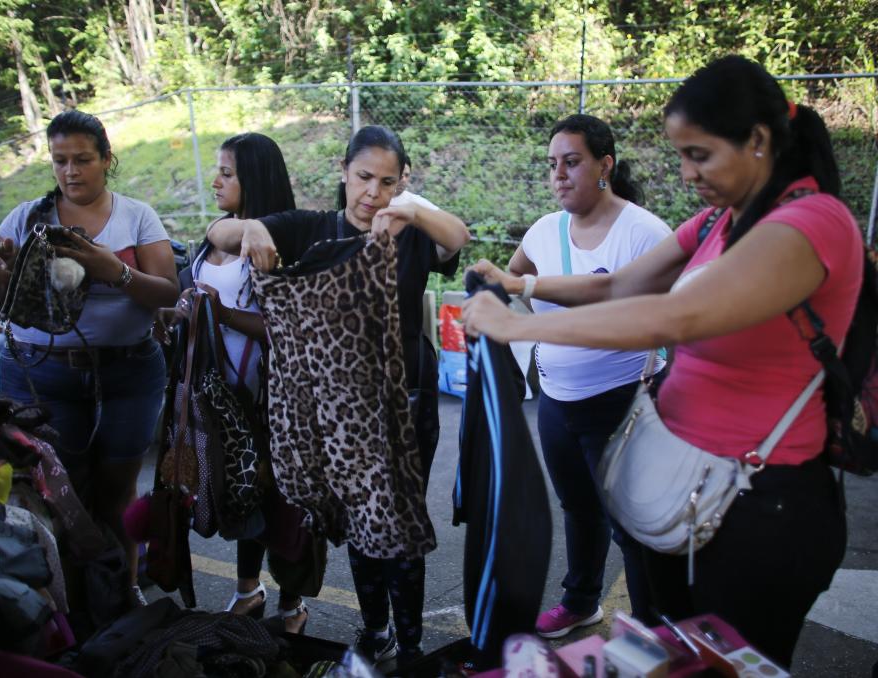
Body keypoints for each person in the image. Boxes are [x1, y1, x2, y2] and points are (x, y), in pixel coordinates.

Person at [462, 55, 858, 668]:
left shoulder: (812, 223)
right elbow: (618, 287)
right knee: (663, 655)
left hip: (758, 503)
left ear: (757, 141)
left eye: (699, 154)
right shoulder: (718, 223)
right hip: (684, 484)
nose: (685, 173)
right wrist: (523, 289)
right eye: (680, 155)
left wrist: (518, 328)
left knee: (724, 662)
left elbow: (678, 316)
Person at [207, 125, 470, 666]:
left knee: (401, 522)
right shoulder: (311, 229)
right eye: (363, 178)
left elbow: (457, 237)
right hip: (337, 411)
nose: (373, 193)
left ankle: (412, 640)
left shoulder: (412, 232)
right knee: (357, 519)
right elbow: (217, 232)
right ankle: (375, 629)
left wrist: (412, 210)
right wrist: (252, 226)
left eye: (387, 182)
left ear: (404, 183)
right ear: (343, 174)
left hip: (405, 402)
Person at [0, 110, 179, 607]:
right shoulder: (27, 216)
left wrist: (114, 271)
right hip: (41, 373)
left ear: (107, 159)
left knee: (116, 487)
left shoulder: (136, 215)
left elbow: (167, 293)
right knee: (60, 490)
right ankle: (74, 602)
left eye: (83, 159)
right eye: (60, 161)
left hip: (128, 370)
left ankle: (124, 591)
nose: (71, 172)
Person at [473, 113, 670, 635]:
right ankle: (582, 600)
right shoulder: (544, 229)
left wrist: (524, 293)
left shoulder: (644, 233)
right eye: (552, 164)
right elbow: (512, 280)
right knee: (579, 508)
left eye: (572, 162)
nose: (559, 174)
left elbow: (658, 315)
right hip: (557, 399)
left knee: (633, 524)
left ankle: (653, 627)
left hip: (621, 401)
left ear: (605, 165)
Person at [154, 132, 313, 633]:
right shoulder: (220, 232)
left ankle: (291, 604)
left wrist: (222, 314)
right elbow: (194, 291)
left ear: (256, 178)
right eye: (218, 170)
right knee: (240, 488)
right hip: (216, 393)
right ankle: (248, 590)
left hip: (268, 395)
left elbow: (290, 327)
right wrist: (181, 312)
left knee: (279, 498)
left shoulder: (281, 244)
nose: (216, 180)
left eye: (228, 171)